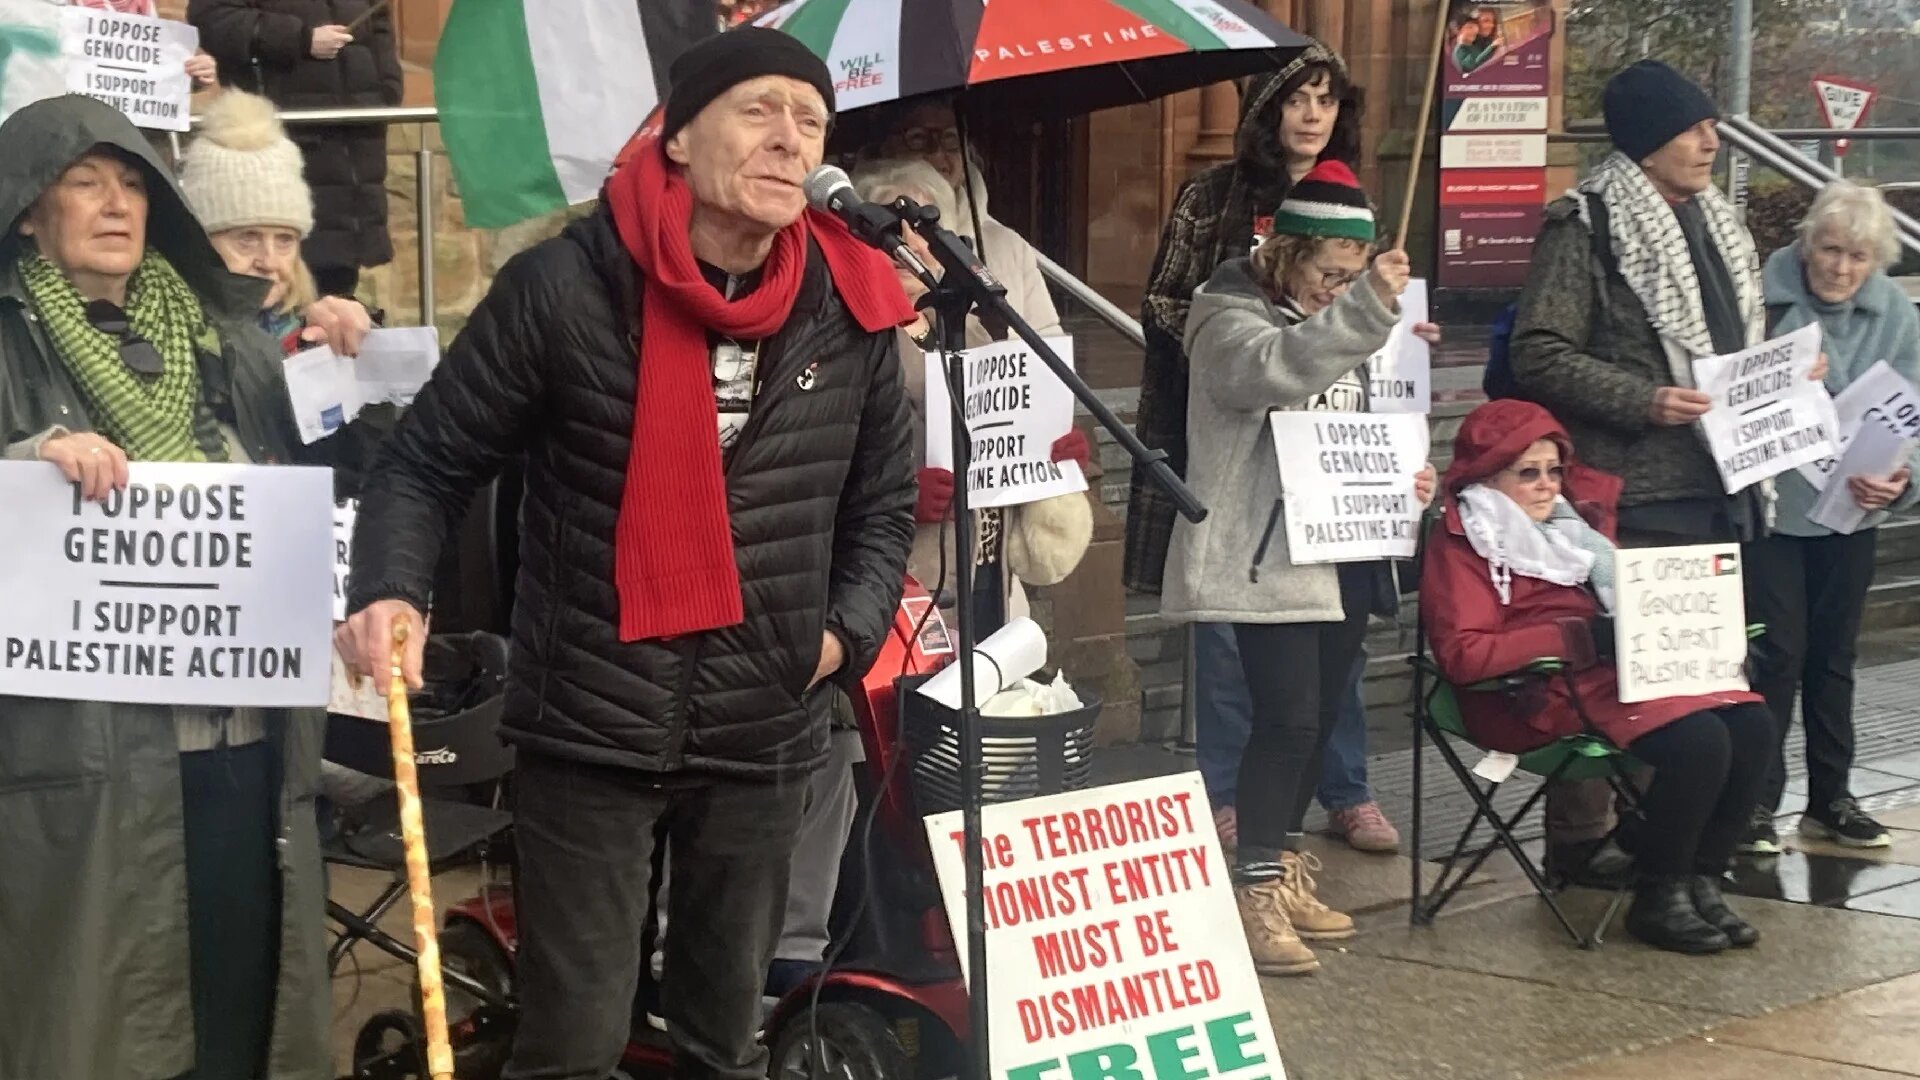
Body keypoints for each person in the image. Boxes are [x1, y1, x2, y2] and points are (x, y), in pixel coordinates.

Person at [335, 29, 917, 1080]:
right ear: (680, 137)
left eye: (811, 119)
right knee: (574, 1042)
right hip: (590, 724)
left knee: (717, 1037)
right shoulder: (563, 289)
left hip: (764, 721)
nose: (791, 139)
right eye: (761, 109)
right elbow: (423, 464)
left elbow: (881, 509)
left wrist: (838, 636)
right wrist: (389, 590)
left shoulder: (854, 308)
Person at [0, 94, 332, 1080]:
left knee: (240, 1015)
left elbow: (351, 474)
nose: (116, 205)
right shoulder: (10, 343)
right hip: (86, 764)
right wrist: (28, 461)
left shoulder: (227, 339)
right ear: (29, 210)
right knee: (100, 1026)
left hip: (246, 746)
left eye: (134, 183)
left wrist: (343, 361)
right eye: (85, 183)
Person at [1507, 59, 1815, 885]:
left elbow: (1733, 351)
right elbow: (1537, 351)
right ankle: (1582, 845)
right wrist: (1644, 399)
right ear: (1647, 140)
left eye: (1711, 125)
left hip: (1721, 487)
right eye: (1693, 127)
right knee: (1630, 677)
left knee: (1693, 684)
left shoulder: (1717, 223)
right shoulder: (1588, 222)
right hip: (1632, 492)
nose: (1712, 140)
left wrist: (1784, 380)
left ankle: (1661, 846)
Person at [1160, 161, 1437, 976]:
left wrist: (1400, 477)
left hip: (1337, 549)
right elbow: (1274, 371)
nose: (1337, 290)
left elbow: (1349, 417)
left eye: (1350, 278)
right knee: (1282, 721)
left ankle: (1277, 866)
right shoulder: (1226, 313)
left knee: (1315, 720)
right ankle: (1252, 890)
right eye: (1327, 274)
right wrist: (1366, 306)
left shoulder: (1341, 318)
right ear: (1285, 254)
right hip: (1263, 559)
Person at [1129, 40, 1399, 855]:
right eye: (1297, 98)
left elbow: (1365, 365)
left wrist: (1390, 465)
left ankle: (1338, 793)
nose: (1313, 115)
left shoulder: (1352, 205)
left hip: (1334, 487)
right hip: (1243, 450)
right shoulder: (1216, 205)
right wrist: (1254, 344)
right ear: (1265, 109)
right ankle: (1236, 806)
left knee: (1325, 669)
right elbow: (1170, 303)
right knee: (1243, 656)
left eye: (1326, 99)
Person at [1424, 399, 1776, 954]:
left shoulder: (1573, 532)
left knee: (1753, 721)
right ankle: (1659, 894)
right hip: (1526, 693)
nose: (1547, 486)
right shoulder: (1465, 541)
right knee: (1699, 740)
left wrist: (1708, 635)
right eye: (1528, 473)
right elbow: (1464, 656)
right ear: (1488, 476)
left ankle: (1699, 878)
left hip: (1606, 673)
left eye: (1554, 470)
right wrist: (1576, 638)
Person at [1740, 181, 1920, 853]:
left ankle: (1831, 799)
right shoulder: (1760, 297)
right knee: (1777, 654)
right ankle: (1755, 803)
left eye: (1859, 256)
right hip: (1775, 507)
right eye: (1830, 249)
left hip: (1852, 512)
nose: (1841, 268)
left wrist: (1904, 478)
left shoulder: (1897, 315)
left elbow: (1914, 414)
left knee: (1834, 658)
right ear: (1805, 243)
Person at [190, 0, 403, 298]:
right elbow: (215, 20)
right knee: (285, 281)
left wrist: (388, 86)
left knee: (338, 281)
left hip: (355, 145)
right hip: (288, 143)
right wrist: (301, 39)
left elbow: (378, 20)